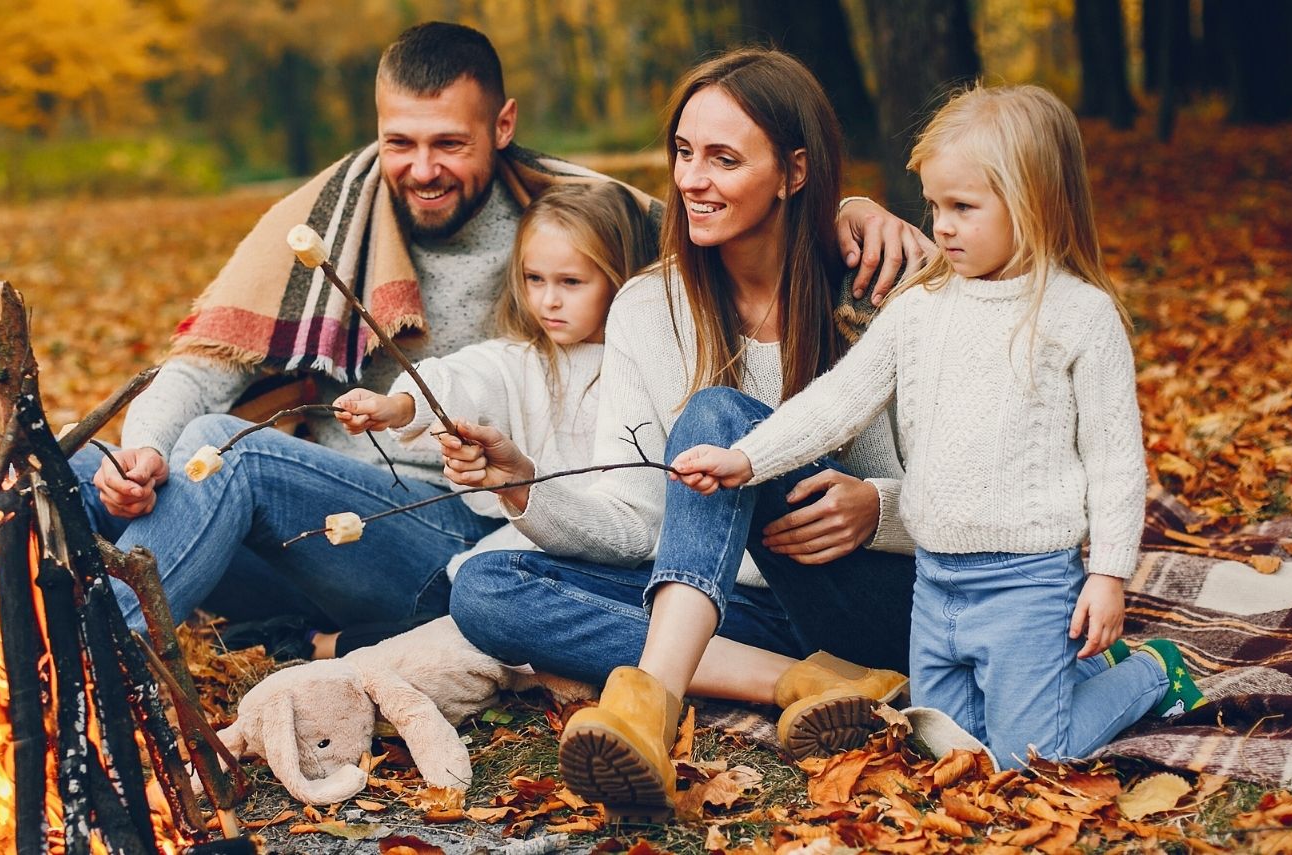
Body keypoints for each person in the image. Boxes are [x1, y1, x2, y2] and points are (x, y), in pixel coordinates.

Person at [79, 24, 932, 654]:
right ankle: (34, 666)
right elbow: (200, 369)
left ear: (504, 125)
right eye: (399, 143)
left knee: (229, 453)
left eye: (449, 142)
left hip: (454, 521)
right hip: (350, 525)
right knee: (82, 468)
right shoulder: (324, 219)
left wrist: (846, 216)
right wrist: (138, 452)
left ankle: (97, 672)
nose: (421, 168)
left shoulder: (581, 216)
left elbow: (726, 220)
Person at [439, 49, 926, 821]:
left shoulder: (873, 285)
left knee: (716, 416)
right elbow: (639, 519)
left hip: (865, 592)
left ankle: (652, 702)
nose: (691, 180)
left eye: (724, 159)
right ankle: (803, 682)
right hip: (730, 607)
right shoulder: (646, 308)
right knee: (487, 586)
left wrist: (879, 506)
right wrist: (523, 486)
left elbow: (972, 488)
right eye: (684, 152)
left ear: (794, 172)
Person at [672, 85, 1206, 770]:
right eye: (933, 205)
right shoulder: (922, 306)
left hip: (1028, 582)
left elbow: (1115, 462)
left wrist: (1108, 574)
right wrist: (746, 460)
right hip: (937, 582)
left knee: (1029, 755)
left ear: (1033, 204)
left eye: (963, 208)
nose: (941, 226)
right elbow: (837, 400)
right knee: (940, 745)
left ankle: (1152, 672)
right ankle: (1063, 683)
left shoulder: (1078, 316)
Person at [334, 182, 657, 621]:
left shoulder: (648, 366)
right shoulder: (522, 360)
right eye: (534, 279)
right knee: (471, 584)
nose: (549, 300)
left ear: (620, 276)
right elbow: (465, 377)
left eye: (571, 282)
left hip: (622, 561)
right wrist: (401, 406)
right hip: (526, 549)